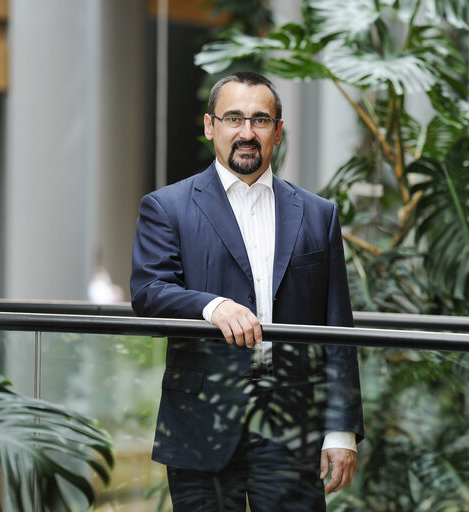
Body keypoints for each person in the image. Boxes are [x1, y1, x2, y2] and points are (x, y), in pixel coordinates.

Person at [130, 71, 364, 511]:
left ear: (278, 131)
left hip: (291, 423)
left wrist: (340, 429)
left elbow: (338, 329)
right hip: (202, 421)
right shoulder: (166, 208)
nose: (246, 132)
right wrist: (211, 307)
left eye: (260, 120)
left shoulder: (319, 215)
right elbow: (149, 290)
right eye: (233, 118)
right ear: (209, 126)